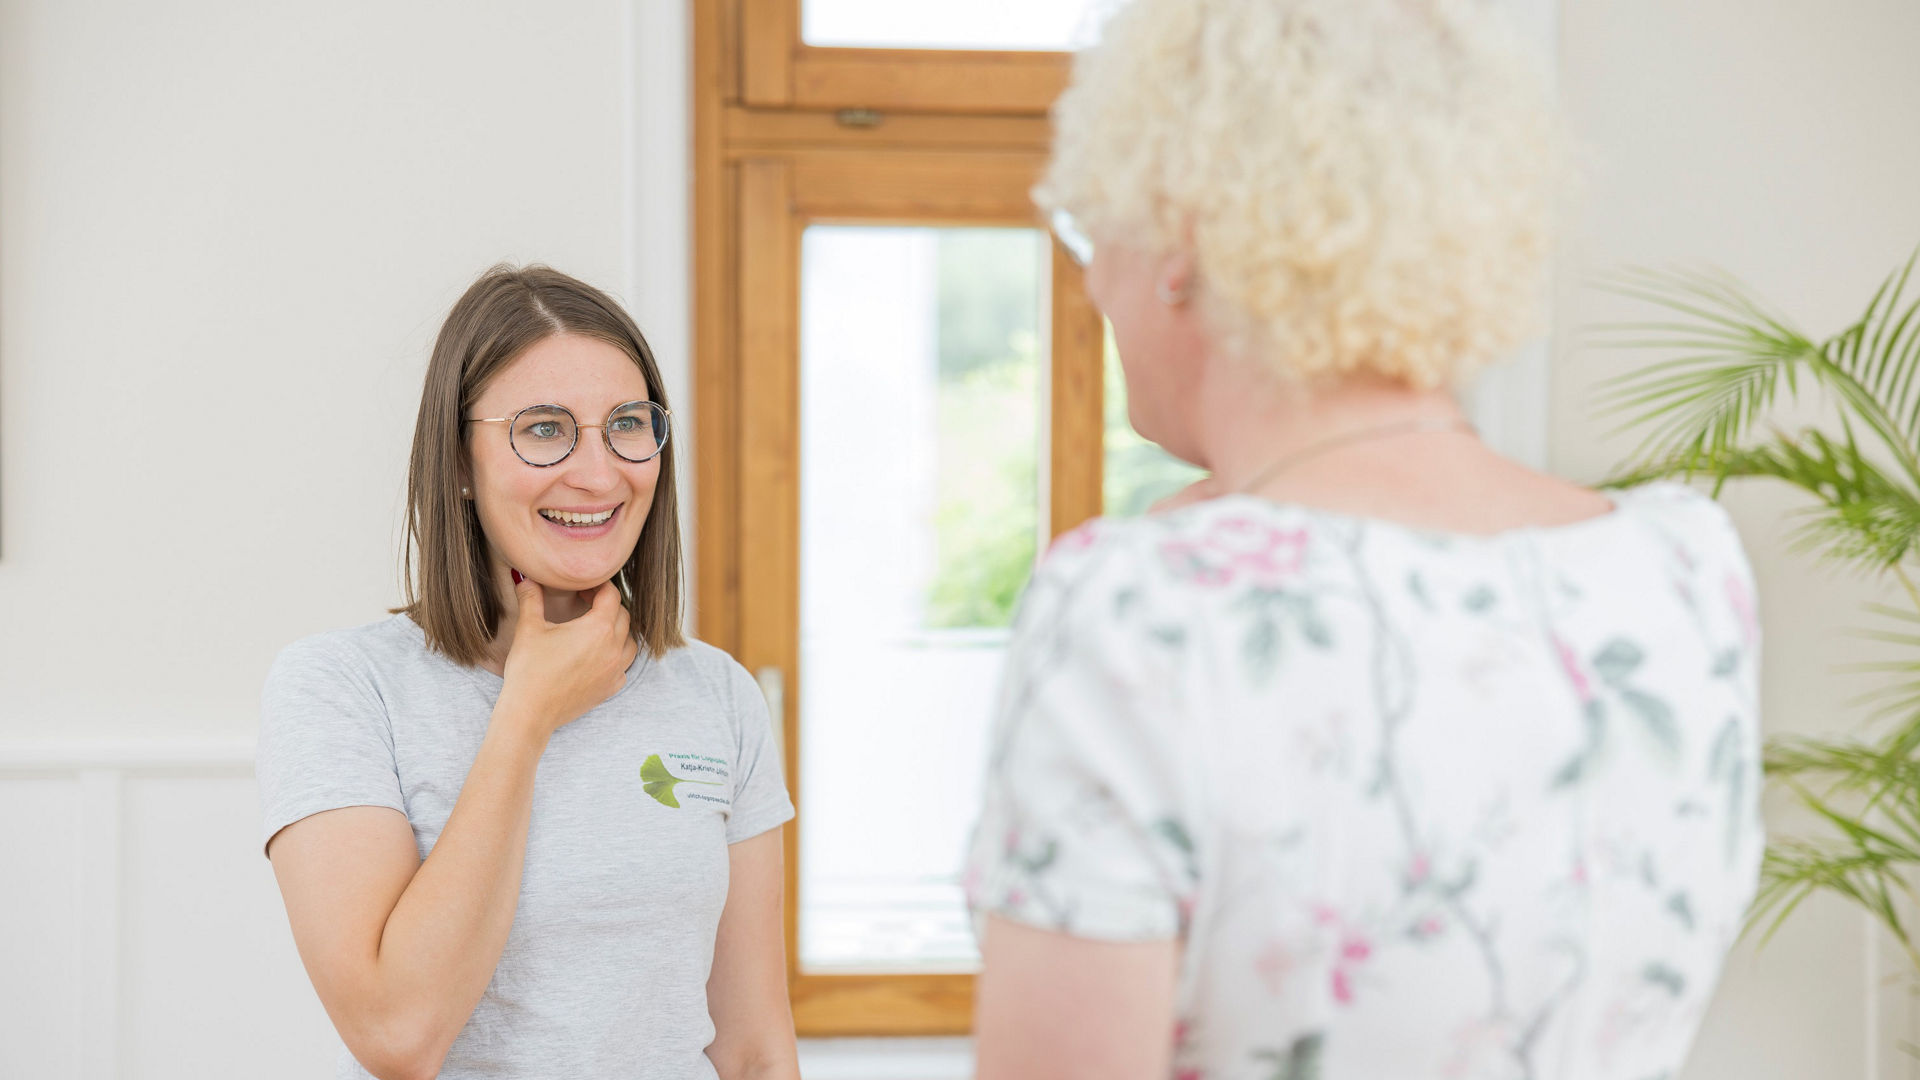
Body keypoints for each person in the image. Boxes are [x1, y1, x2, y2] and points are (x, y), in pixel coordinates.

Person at [963, 1, 1765, 1078]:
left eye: (1093, 228)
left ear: (1180, 234)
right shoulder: (1686, 570)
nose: (1093, 279)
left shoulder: (1137, 613)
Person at [256, 265, 799, 1080]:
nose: (598, 472)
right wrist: (528, 713)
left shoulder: (717, 695)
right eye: (544, 429)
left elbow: (754, 1048)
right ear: (461, 464)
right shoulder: (339, 689)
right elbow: (399, 1034)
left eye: (626, 424)